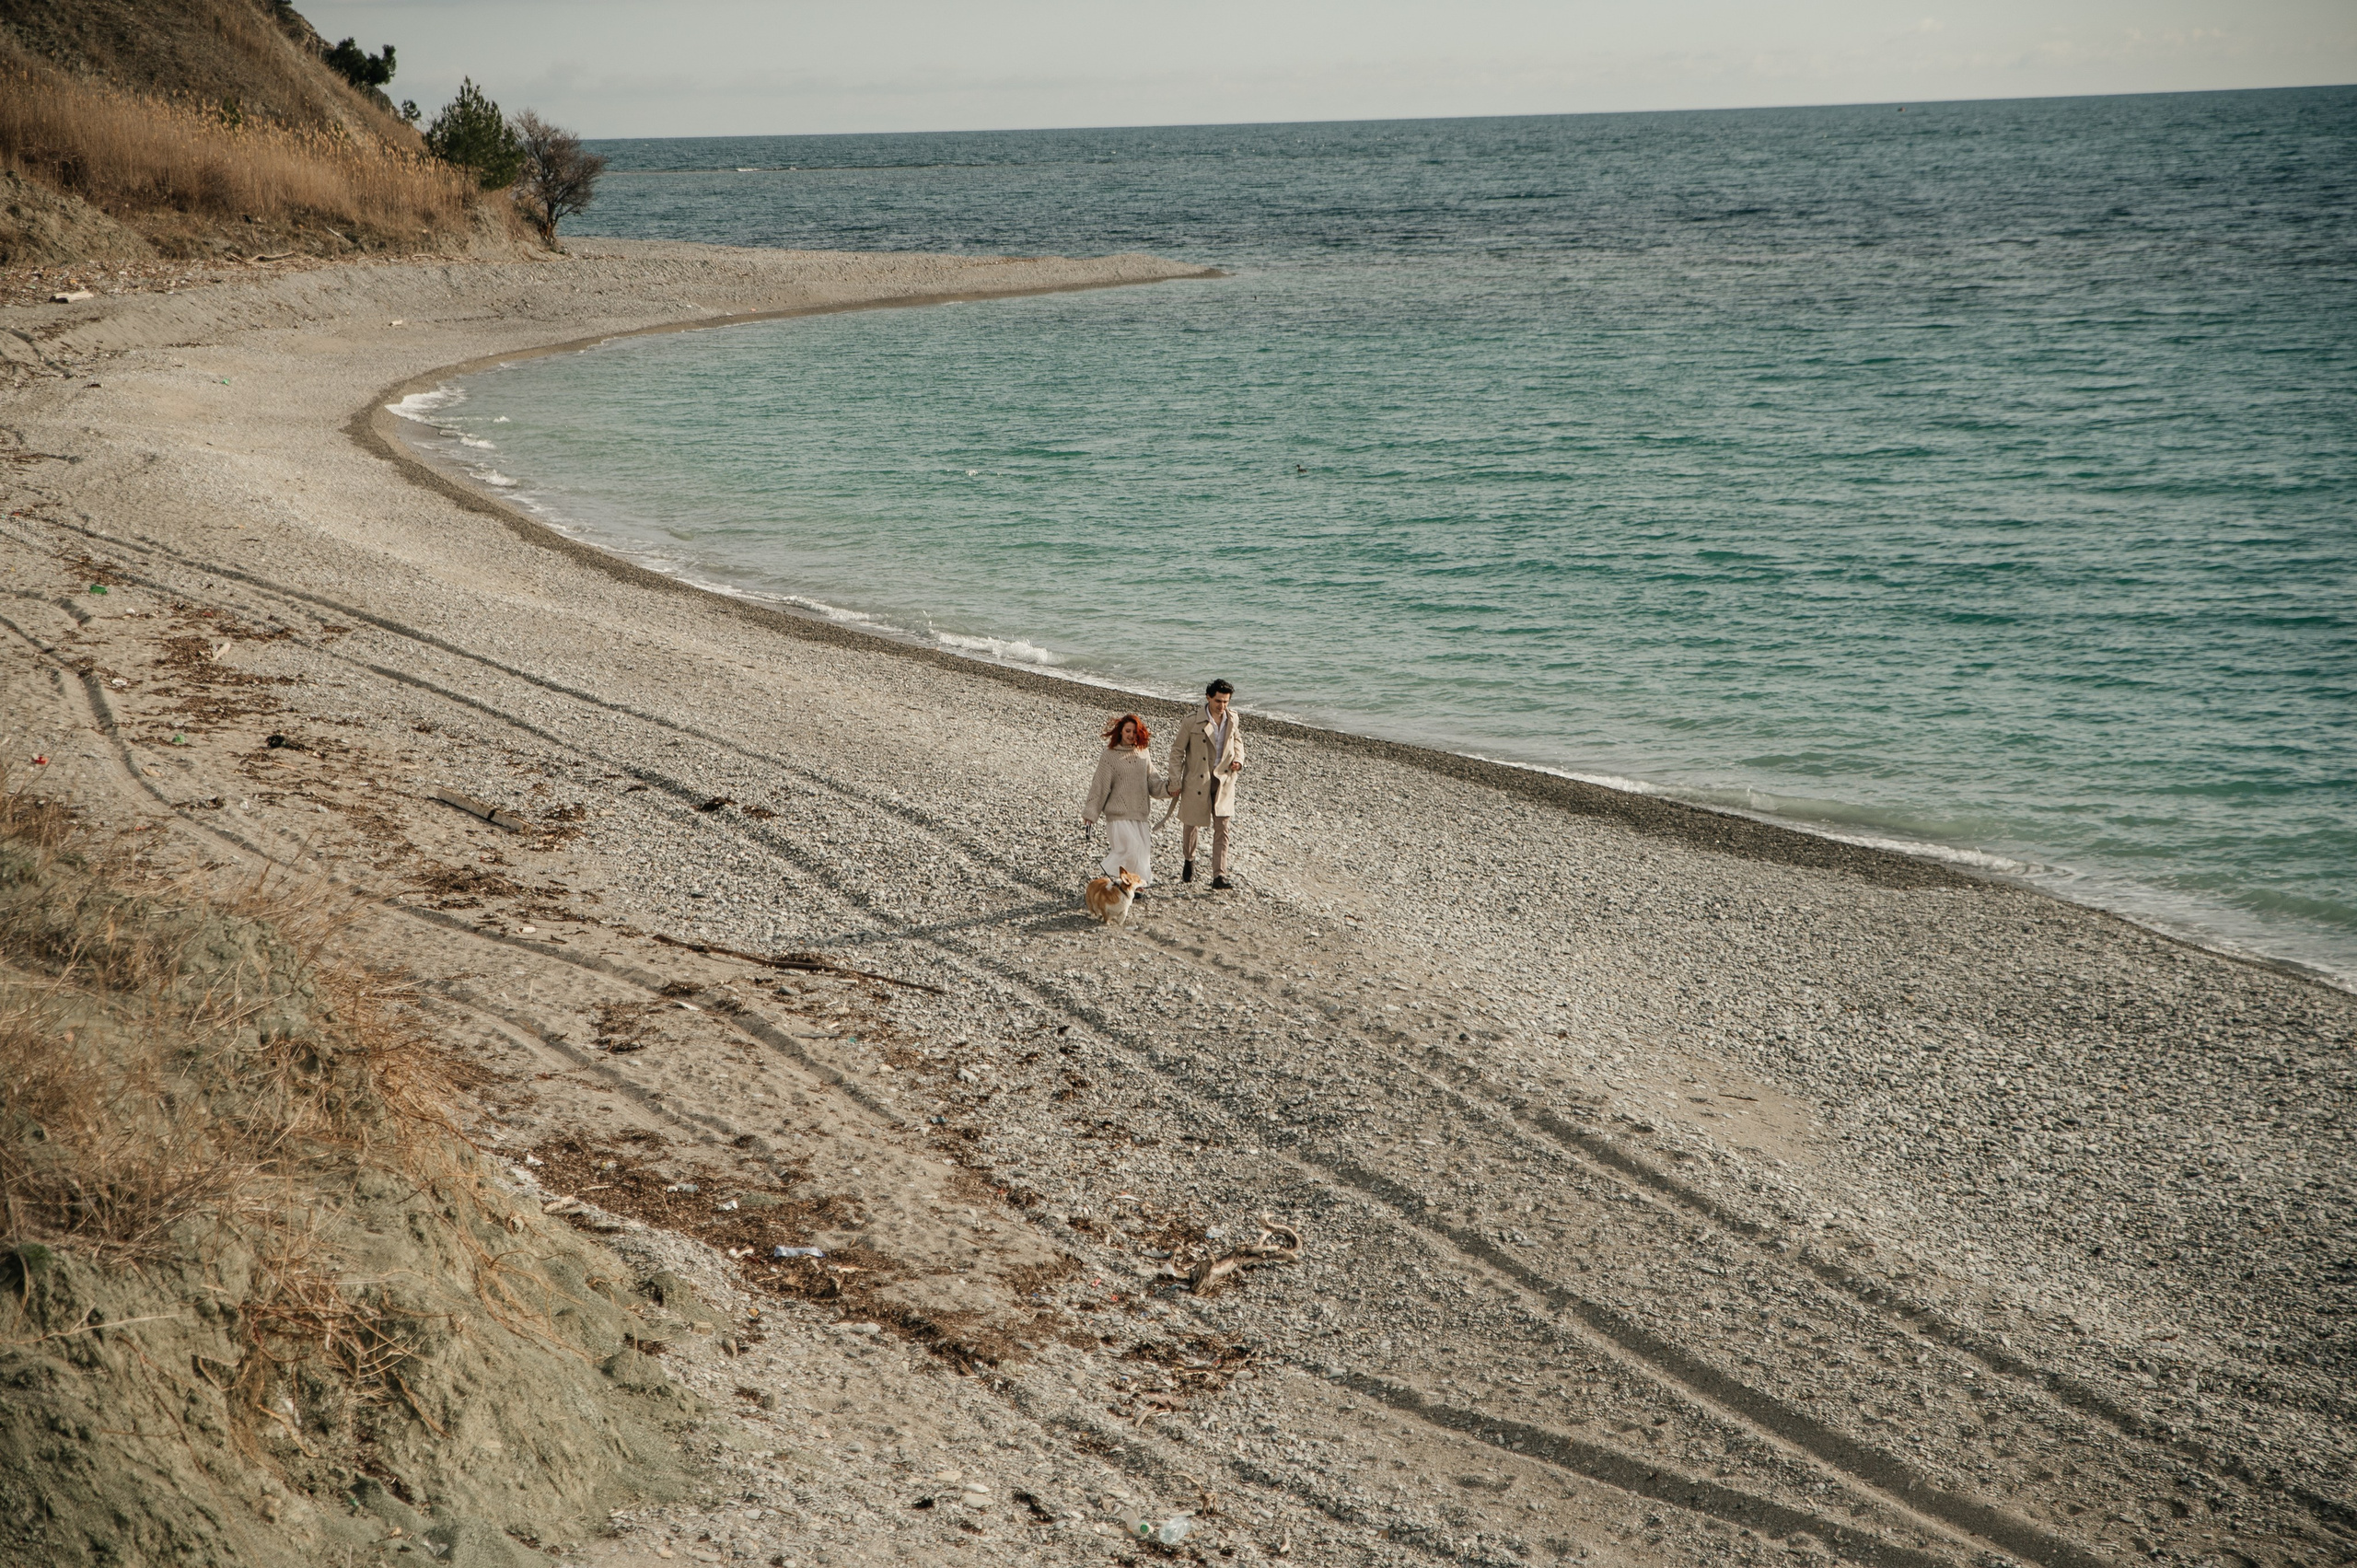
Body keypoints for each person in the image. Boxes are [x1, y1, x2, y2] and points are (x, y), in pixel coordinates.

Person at [1167, 678, 1245, 889]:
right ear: (1208, 697)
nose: (1222, 706)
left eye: (1226, 702)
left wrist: (1238, 759)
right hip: (1197, 780)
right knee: (1191, 824)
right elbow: (1177, 752)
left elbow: (1237, 741)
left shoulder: (1233, 719)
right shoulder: (1192, 721)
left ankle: (1219, 876)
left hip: (1224, 780)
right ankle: (1189, 859)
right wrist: (1175, 780)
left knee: (1223, 828)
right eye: (1218, 701)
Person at [1081, 712, 1167, 893]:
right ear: (1120, 731)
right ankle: (1105, 874)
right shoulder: (1109, 756)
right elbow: (1099, 786)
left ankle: (1132, 887)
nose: (1131, 735)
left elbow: (1153, 781)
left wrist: (1169, 788)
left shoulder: (1144, 754)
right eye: (1128, 731)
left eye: (1135, 732)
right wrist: (1090, 814)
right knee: (1130, 850)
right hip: (1118, 815)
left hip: (1140, 814)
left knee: (1142, 855)